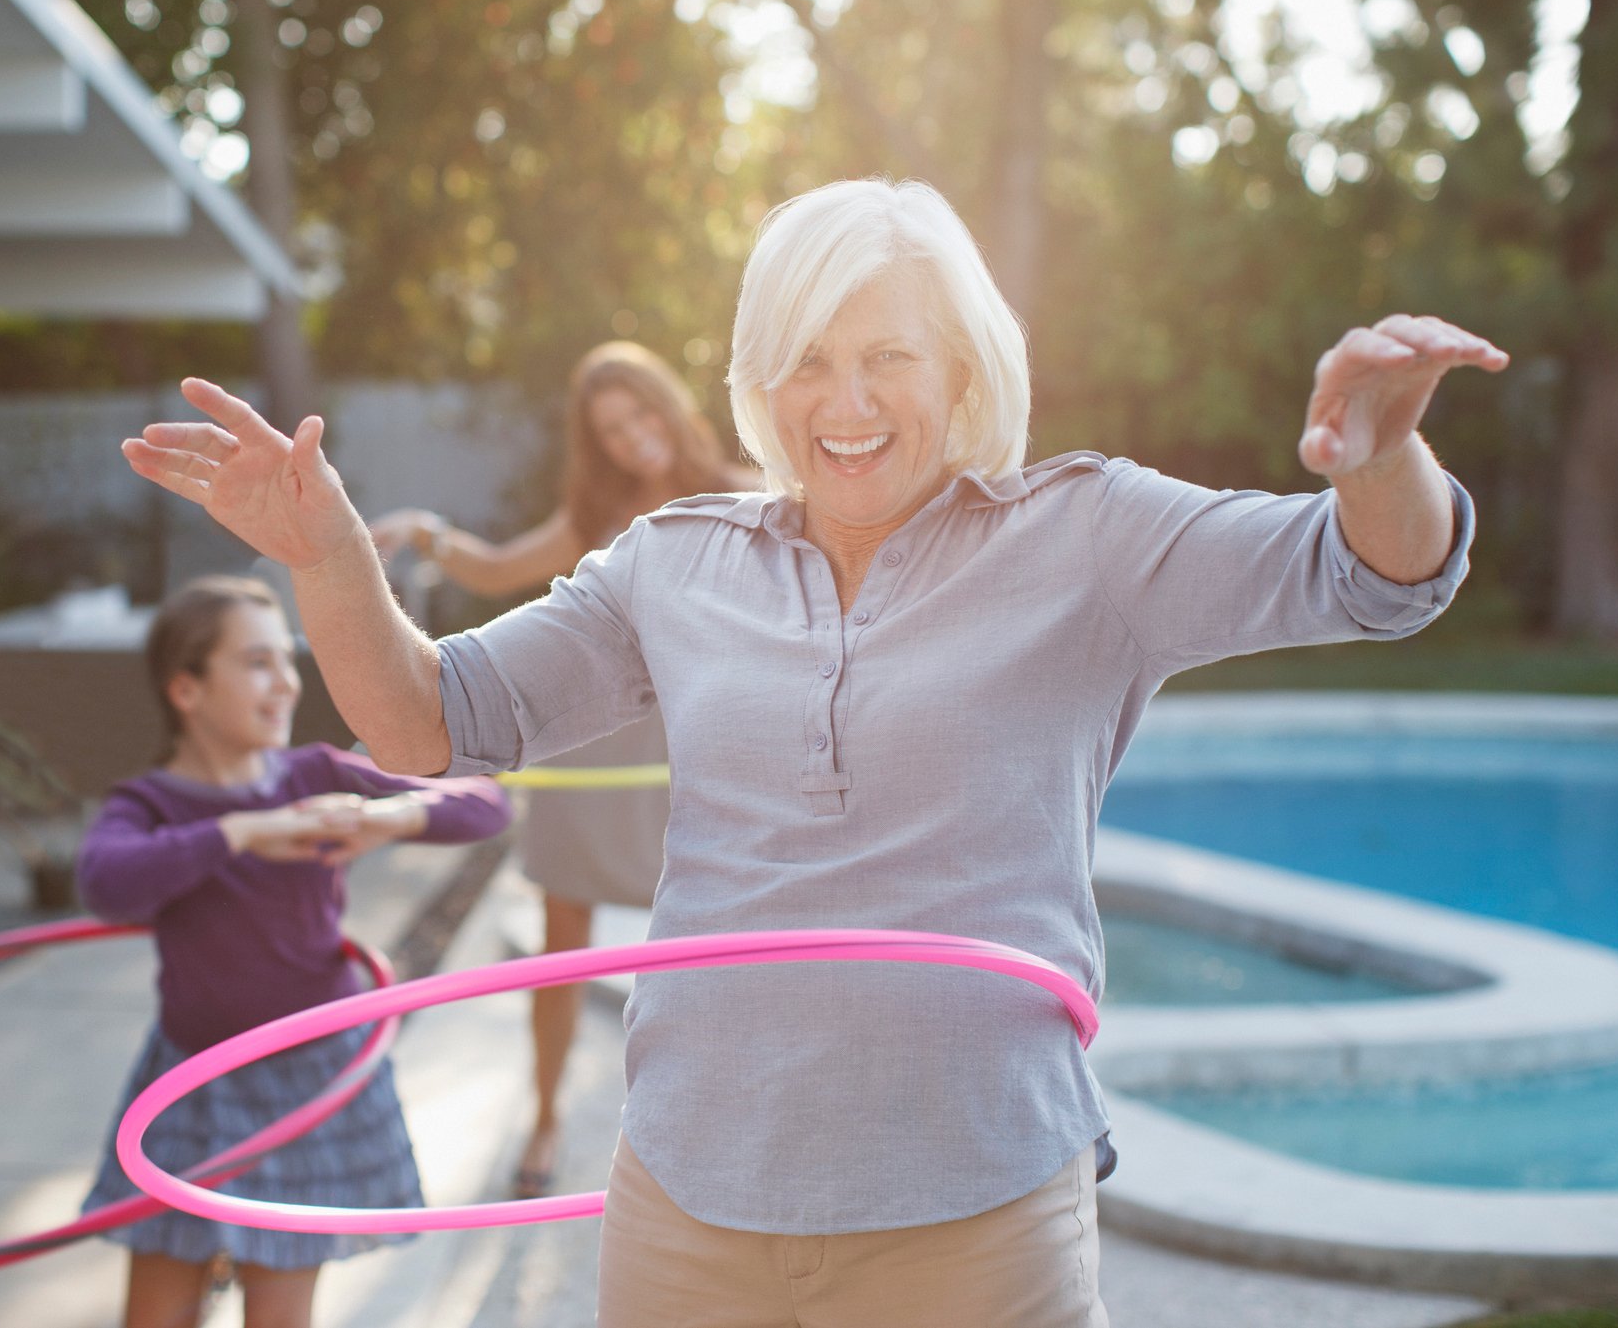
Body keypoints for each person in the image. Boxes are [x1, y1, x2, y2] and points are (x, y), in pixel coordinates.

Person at [121, 178, 1505, 1327]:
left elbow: (1368, 577)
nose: (843, 398)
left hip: (973, 1213)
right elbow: (429, 721)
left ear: (961, 364)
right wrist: (331, 558)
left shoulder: (1090, 537)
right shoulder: (672, 565)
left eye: (887, 353)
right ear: (758, 380)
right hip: (688, 1209)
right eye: (807, 358)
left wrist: (1380, 464)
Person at [367, 341, 756, 1197]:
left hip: (689, 753)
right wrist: (423, 536)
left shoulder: (747, 490)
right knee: (561, 940)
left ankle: (716, 1125)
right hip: (591, 749)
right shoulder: (598, 516)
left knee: (710, 945)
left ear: (669, 403)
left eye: (641, 415)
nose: (632, 439)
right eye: (611, 430)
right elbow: (498, 566)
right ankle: (544, 1117)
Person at [76, 575, 510, 1328]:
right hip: (191, 1074)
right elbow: (106, 882)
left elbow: (483, 801)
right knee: (154, 1310)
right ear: (187, 688)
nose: (286, 682)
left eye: (287, 660)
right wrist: (241, 833)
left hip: (308, 1075)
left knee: (278, 1312)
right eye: (256, 663)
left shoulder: (315, 774)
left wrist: (393, 820)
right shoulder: (151, 806)